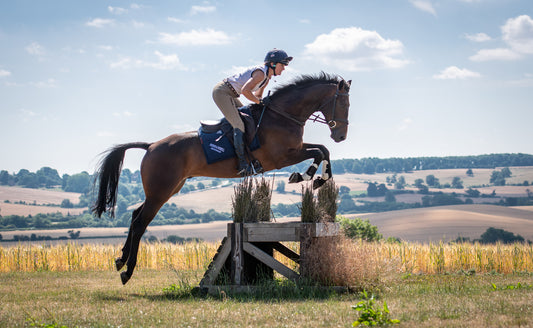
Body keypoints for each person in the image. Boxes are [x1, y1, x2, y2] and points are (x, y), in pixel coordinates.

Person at [212, 49, 293, 176]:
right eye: (282, 65)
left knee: (249, 118)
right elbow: (245, 91)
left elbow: (257, 96)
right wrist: (259, 102)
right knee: (239, 125)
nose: (284, 68)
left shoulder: (266, 78)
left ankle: (251, 157)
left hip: (231, 94)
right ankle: (242, 164)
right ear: (273, 64)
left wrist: (266, 103)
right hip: (222, 92)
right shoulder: (260, 74)